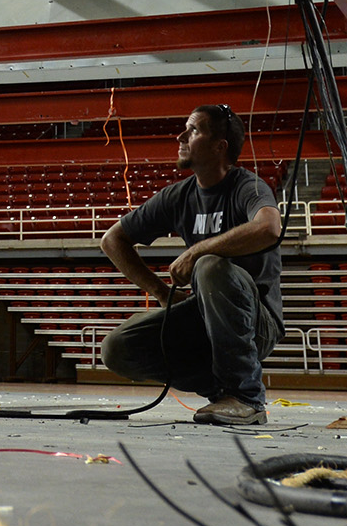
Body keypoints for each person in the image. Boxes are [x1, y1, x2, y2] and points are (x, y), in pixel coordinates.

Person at [97, 103, 284, 425]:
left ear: (219, 146)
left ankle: (246, 397)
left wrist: (196, 252)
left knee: (210, 265)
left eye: (193, 130)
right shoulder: (178, 196)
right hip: (204, 318)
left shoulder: (248, 186)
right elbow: (112, 240)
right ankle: (222, 390)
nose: (181, 136)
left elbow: (269, 228)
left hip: (257, 323)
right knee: (118, 348)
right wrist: (159, 291)